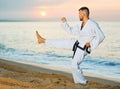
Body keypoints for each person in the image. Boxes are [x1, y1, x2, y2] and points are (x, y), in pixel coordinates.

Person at [36, 7, 105, 85]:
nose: (78, 15)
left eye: (79, 13)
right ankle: (42, 40)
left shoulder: (92, 24)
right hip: (77, 42)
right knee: (61, 42)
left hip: (83, 48)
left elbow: (101, 36)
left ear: (84, 13)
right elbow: (71, 31)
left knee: (74, 65)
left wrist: (91, 44)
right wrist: (64, 23)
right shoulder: (80, 24)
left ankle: (82, 82)